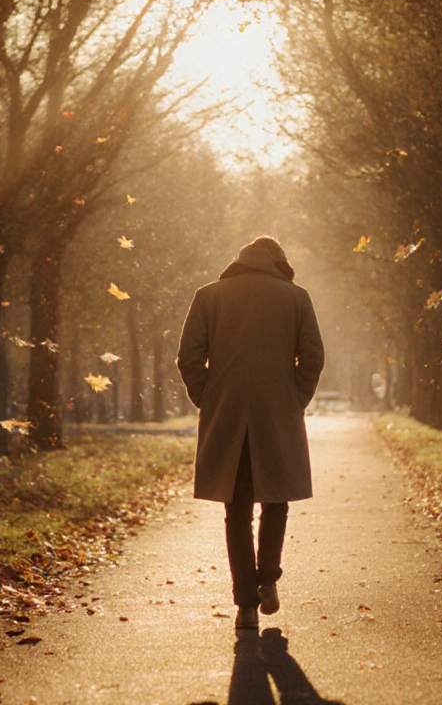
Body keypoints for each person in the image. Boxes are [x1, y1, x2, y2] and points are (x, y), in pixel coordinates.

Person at [177, 236, 325, 630]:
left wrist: (207, 396)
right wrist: (295, 398)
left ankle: (244, 604)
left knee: (236, 510)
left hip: (226, 413)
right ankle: (269, 582)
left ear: (240, 259)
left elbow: (188, 356)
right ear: (278, 261)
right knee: (276, 502)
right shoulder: (296, 297)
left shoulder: (209, 296)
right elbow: (313, 356)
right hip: (278, 413)